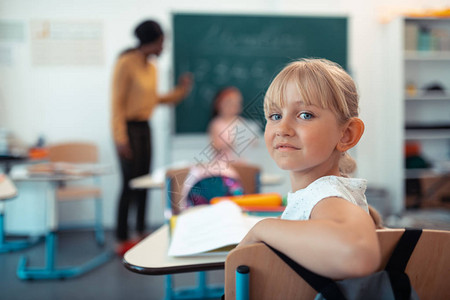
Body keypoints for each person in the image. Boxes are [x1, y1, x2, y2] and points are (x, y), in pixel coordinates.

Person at [235, 58, 382, 279]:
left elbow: (358, 253)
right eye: (275, 116)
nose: (282, 128)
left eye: (305, 115)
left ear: (346, 134)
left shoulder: (324, 195)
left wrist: (262, 228)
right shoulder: (322, 194)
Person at [111, 20, 192, 254]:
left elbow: (154, 99)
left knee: (144, 182)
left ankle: (139, 231)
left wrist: (181, 91)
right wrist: (120, 137)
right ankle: (121, 237)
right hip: (127, 129)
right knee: (129, 183)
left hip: (145, 128)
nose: (163, 47)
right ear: (151, 42)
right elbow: (116, 104)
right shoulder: (125, 63)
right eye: (161, 42)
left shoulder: (152, 67)